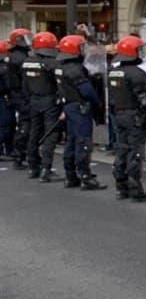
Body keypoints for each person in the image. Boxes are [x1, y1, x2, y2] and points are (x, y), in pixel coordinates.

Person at [107, 35, 146, 202]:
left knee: (121, 149)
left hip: (119, 114)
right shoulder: (137, 73)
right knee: (135, 152)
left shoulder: (113, 72)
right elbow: (144, 100)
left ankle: (121, 186)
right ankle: (135, 189)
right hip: (134, 115)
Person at [53, 34, 105, 191]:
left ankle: (70, 175)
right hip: (80, 107)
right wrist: (97, 102)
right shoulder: (75, 69)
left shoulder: (60, 66)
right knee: (83, 142)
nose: (83, 50)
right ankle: (85, 176)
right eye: (81, 47)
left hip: (69, 106)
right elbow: (86, 91)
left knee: (71, 140)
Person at [22, 31, 62, 182]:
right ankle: (46, 168)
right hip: (50, 100)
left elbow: (24, 85)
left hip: (34, 100)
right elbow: (59, 85)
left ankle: (33, 166)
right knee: (50, 134)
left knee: (34, 132)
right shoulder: (52, 63)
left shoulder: (27, 62)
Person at [2, 29, 30, 167]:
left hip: (15, 94)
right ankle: (19, 154)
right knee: (25, 123)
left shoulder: (12, 56)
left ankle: (18, 152)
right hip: (21, 94)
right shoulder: (20, 58)